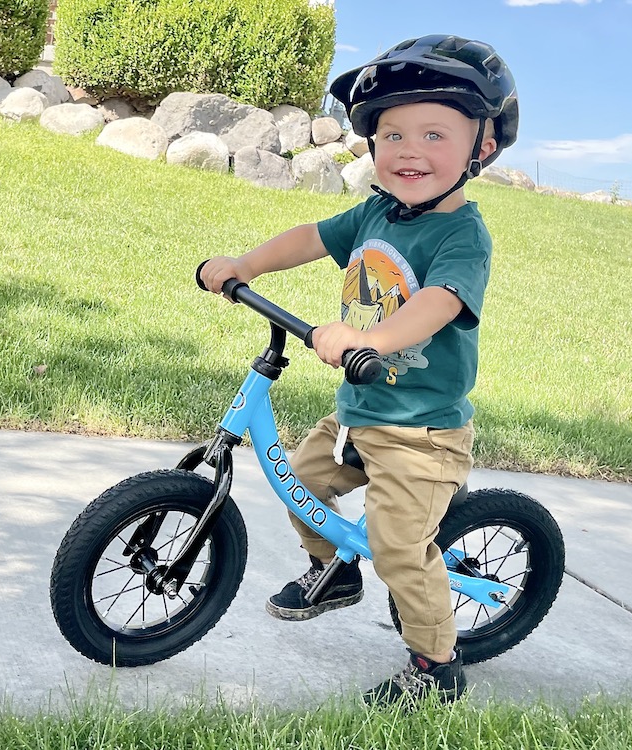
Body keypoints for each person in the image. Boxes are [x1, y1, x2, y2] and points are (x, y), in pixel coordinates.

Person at [199, 34, 518, 706]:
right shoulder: (375, 211)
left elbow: (439, 302)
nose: (409, 150)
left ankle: (436, 666)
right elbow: (312, 237)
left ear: (480, 147)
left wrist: (366, 336)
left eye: (435, 133)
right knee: (301, 481)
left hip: (421, 434)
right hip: (361, 412)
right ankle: (334, 573)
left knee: (401, 550)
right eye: (393, 133)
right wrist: (246, 265)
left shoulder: (462, 236)